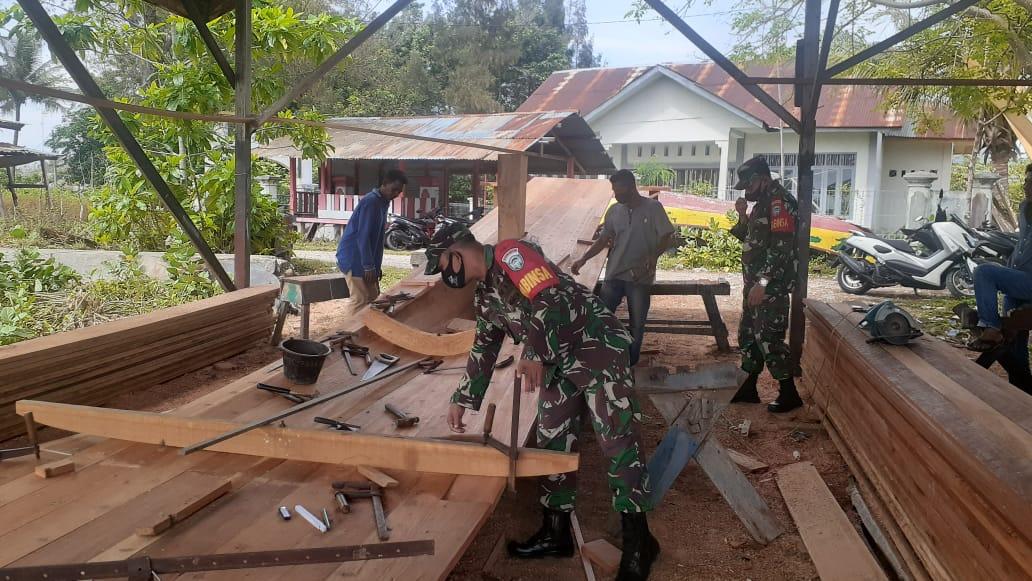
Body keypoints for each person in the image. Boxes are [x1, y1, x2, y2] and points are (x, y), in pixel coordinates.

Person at [424, 223, 659, 581]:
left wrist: (533, 352)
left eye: (441, 264)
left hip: (596, 348)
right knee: (552, 441)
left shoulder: (509, 254)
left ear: (455, 253)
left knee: (617, 442)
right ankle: (556, 532)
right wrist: (463, 399)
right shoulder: (485, 296)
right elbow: (484, 346)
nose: (443, 274)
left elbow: (548, 296)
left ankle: (640, 543)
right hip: (557, 361)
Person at [571, 170, 676, 366]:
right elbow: (603, 239)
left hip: (640, 277)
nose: (616, 195)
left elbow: (667, 236)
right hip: (614, 274)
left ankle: (630, 363)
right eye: (614, 191)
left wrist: (653, 255)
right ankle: (604, 359)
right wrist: (583, 259)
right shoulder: (614, 211)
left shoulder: (653, 208)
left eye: (619, 191)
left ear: (631, 187)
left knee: (637, 324)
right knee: (603, 319)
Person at [727, 156, 802, 413]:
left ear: (762, 179)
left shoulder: (780, 203)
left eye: (749, 185)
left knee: (770, 338)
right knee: (749, 335)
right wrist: (742, 216)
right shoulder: (762, 203)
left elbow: (781, 249)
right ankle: (748, 387)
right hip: (754, 285)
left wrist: (762, 283)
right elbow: (753, 241)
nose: (746, 191)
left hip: (770, 287)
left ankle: (789, 394)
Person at [970, 163, 1032, 353]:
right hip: (1019, 278)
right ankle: (1019, 372)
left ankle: (991, 326)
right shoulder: (1025, 207)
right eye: (1026, 181)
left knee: (984, 272)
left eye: (1031, 182)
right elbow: (1023, 242)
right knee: (1014, 338)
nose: (1026, 186)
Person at [335, 169, 407, 316]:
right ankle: (350, 329)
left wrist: (376, 266)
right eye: (394, 189)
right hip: (353, 258)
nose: (395, 194)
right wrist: (368, 266)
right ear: (384, 184)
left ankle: (368, 328)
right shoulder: (371, 202)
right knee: (360, 300)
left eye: (398, 192)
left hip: (366, 260)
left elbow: (377, 240)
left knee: (374, 299)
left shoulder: (383, 202)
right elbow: (363, 236)